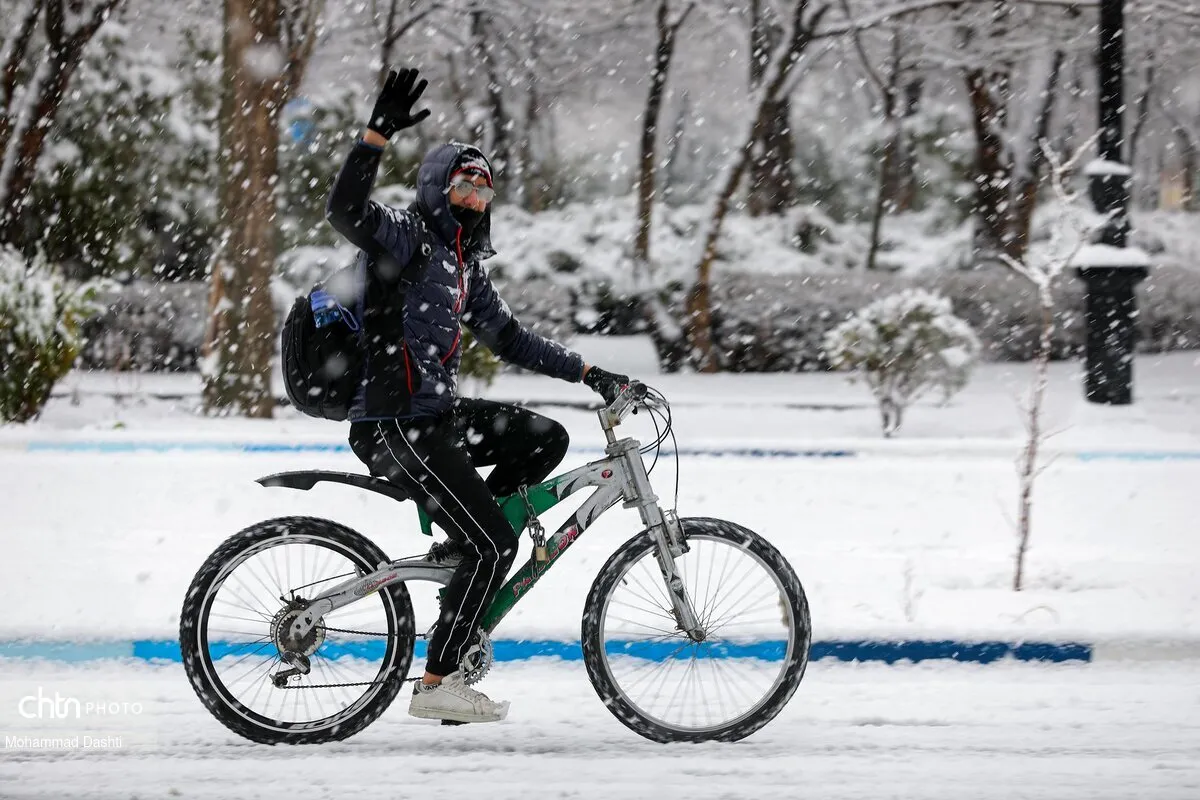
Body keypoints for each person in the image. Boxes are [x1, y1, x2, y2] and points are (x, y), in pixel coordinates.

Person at [326, 67, 633, 725]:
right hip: (393, 424)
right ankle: (437, 683)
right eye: (463, 182)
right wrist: (376, 133)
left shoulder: (464, 270)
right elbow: (344, 209)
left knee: (544, 438)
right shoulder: (408, 236)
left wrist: (591, 374)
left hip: (431, 416)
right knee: (499, 545)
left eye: (484, 185)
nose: (475, 194)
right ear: (437, 187)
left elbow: (514, 341)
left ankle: (465, 552)